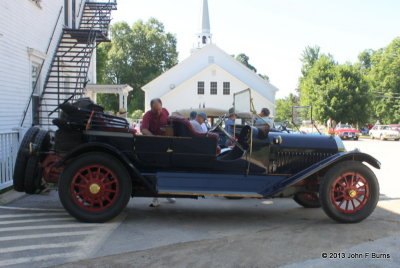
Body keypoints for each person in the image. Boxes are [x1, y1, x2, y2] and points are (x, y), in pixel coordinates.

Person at [141, 98, 176, 207]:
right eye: (156, 110)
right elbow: (143, 130)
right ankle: (155, 198)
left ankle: (167, 193)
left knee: (167, 170)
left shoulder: (166, 112)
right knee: (156, 172)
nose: (158, 112)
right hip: (153, 147)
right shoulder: (147, 115)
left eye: (160, 109)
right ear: (151, 108)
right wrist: (154, 138)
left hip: (165, 146)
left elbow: (170, 126)